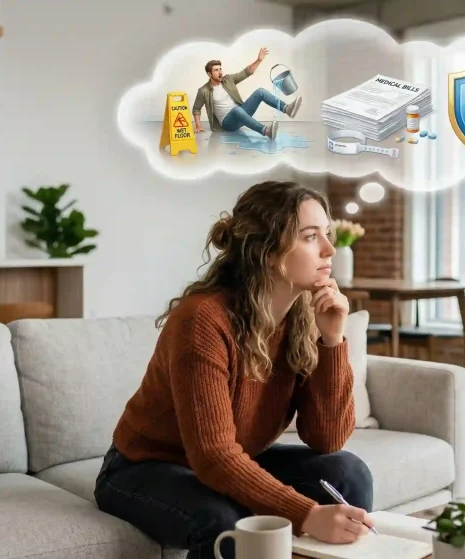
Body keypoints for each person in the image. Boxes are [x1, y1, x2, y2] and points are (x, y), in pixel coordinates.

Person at [94, 181, 373, 559]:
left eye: (327, 234)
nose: (329, 248)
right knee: (225, 522)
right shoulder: (203, 320)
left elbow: (327, 439)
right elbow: (213, 456)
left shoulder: (303, 317)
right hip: (143, 468)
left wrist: (332, 341)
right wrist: (307, 515)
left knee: (347, 474)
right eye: (311, 236)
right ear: (269, 252)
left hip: (237, 456)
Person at [191, 48, 303, 139]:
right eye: (216, 70)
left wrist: (259, 60)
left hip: (241, 114)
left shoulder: (228, 79)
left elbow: (246, 72)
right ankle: (266, 131)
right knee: (236, 110)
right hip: (228, 123)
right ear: (209, 74)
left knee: (260, 92)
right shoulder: (204, 90)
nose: (220, 72)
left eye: (220, 69)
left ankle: (287, 109)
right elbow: (196, 109)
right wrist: (199, 125)